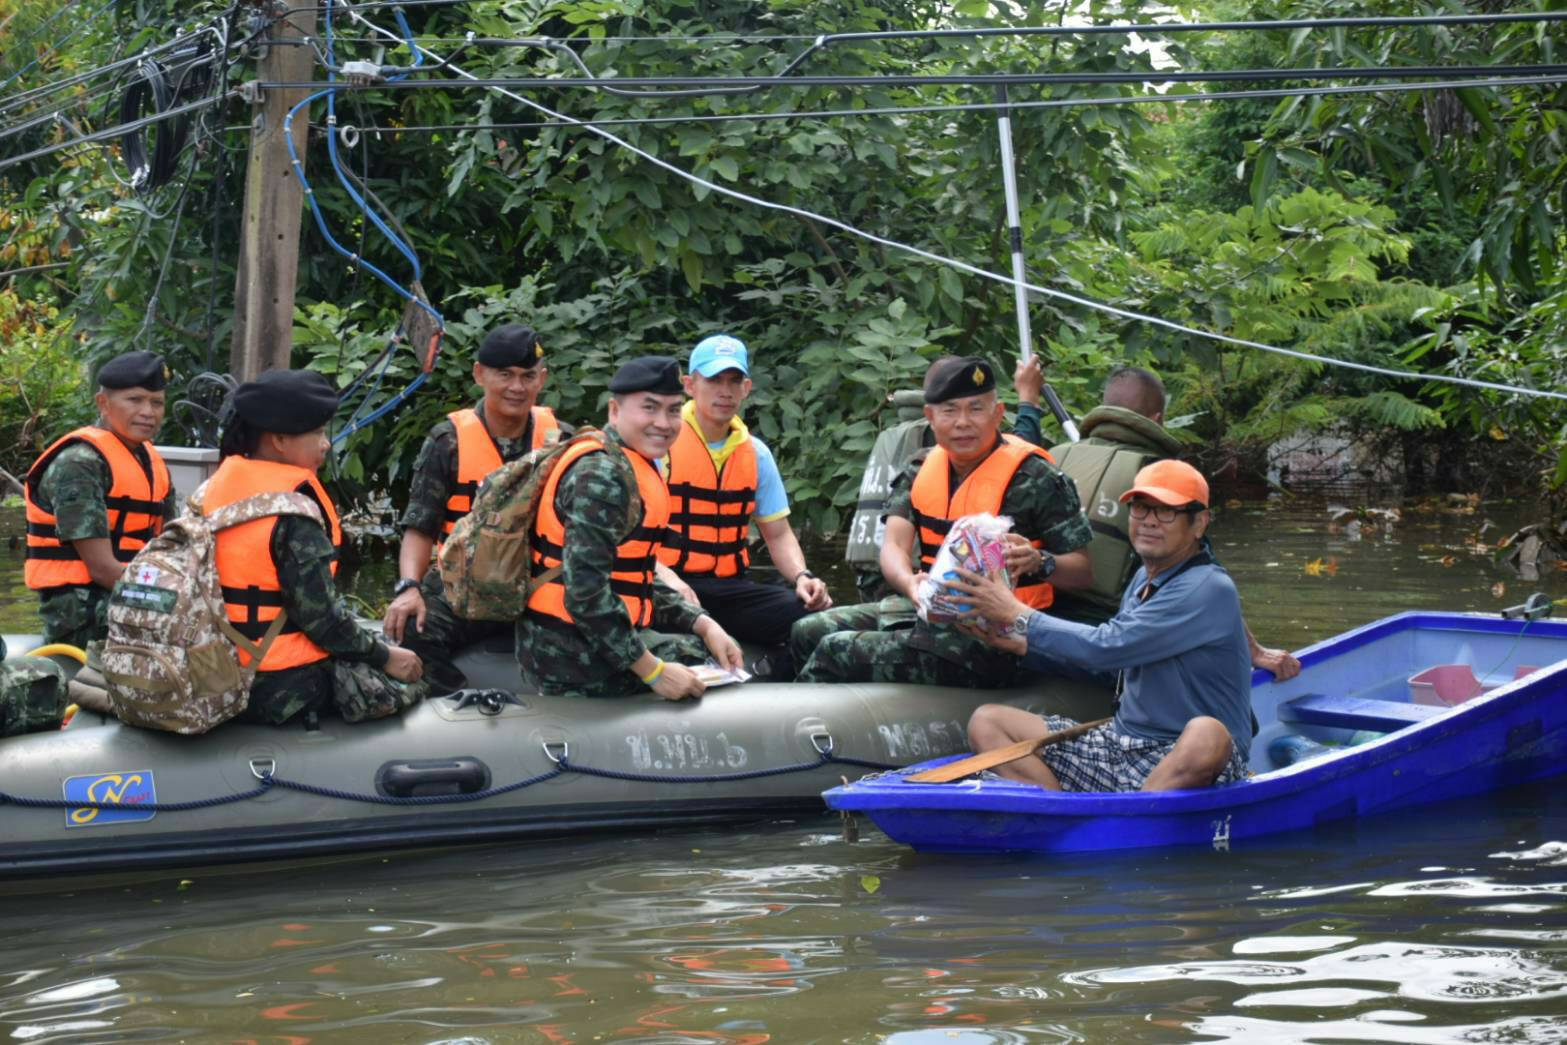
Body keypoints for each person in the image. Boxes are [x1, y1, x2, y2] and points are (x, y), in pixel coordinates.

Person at [947, 459, 1252, 792]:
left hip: (1183, 756)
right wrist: (1021, 644)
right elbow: (1115, 669)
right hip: (1121, 746)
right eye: (1141, 509)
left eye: (1166, 512)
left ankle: (1129, 823)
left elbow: (1107, 646)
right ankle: (1065, 818)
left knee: (1207, 733)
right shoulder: (1143, 579)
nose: (1149, 522)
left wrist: (1018, 614)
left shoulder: (1207, 587)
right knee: (987, 722)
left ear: (1199, 524)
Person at [790, 356, 1093, 687]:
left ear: (998, 413)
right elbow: (893, 545)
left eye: (976, 409)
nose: (963, 422)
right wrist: (909, 584)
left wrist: (1040, 561)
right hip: (925, 610)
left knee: (837, 649)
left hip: (997, 635)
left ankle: (794, 729)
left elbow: (1082, 572)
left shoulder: (1038, 477)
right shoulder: (920, 468)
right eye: (950, 411)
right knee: (806, 630)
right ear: (931, 417)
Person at [1014, 356, 1300, 680]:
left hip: (1038, 624)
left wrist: (1027, 400)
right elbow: (1204, 570)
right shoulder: (1157, 477)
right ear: (1157, 419)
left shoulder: (1056, 457)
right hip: (1102, 643)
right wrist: (1256, 652)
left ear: (1105, 407)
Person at [519, 355, 744, 700]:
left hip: (584, 639)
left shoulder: (628, 461)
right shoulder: (600, 476)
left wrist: (703, 623)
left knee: (703, 645)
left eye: (672, 410)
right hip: (568, 654)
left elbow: (632, 573)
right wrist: (654, 672)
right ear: (614, 411)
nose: (663, 423)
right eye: (649, 409)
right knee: (699, 665)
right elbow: (586, 595)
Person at [209, 369, 426, 726]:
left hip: (219, 667)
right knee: (413, 680)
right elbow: (323, 620)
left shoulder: (218, 486)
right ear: (279, 439)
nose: (326, 444)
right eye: (317, 433)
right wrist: (386, 657)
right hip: (276, 683)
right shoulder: (293, 512)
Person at [382, 323, 567, 688]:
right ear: (479, 374)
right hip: (463, 588)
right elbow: (420, 526)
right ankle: (462, 707)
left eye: (528, 376)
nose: (517, 387)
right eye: (505, 375)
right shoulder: (447, 441)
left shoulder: (561, 439)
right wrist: (409, 587)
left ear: (541, 379)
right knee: (412, 635)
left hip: (538, 585)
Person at [657, 335, 831, 672]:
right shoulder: (661, 443)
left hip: (729, 588)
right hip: (668, 584)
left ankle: (784, 693)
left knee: (812, 616)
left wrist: (802, 576)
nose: (725, 391)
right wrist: (666, 579)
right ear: (690, 385)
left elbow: (778, 535)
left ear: (747, 387)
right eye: (714, 380)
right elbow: (631, 539)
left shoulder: (756, 453)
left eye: (734, 381)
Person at [23, 350, 176, 650]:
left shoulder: (151, 461)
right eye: (135, 400)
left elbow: (172, 546)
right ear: (103, 404)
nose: (148, 411)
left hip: (131, 591)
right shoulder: (79, 463)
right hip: (84, 608)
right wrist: (171, 599)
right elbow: (102, 569)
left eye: (156, 402)